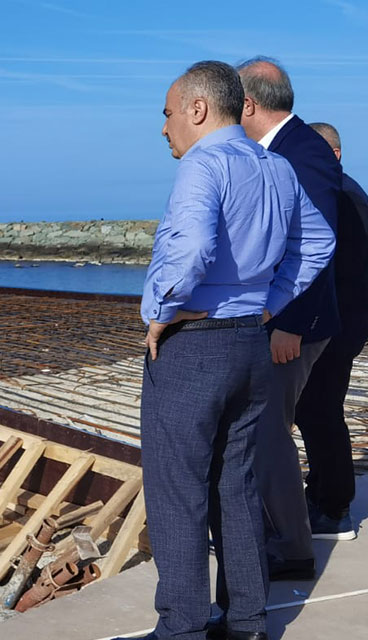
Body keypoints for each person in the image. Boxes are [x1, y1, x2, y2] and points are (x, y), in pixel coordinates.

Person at [125, 61, 334, 640]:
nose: (163, 127)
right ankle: (246, 622)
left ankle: (183, 629)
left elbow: (192, 245)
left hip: (194, 346)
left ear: (197, 109)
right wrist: (269, 304)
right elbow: (318, 242)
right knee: (236, 485)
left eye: (168, 113)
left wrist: (163, 309)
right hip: (249, 343)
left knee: (177, 490)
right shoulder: (276, 165)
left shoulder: (203, 162)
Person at [236, 56, 344, 579]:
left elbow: (317, 243)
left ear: (247, 104)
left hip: (293, 324)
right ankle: (275, 534)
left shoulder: (301, 152)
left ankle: (291, 548)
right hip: (284, 317)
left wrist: (291, 323)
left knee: (268, 434)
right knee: (266, 429)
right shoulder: (285, 148)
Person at [291, 121, 368, 541]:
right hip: (343, 320)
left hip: (337, 323)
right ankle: (321, 492)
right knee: (314, 411)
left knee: (320, 412)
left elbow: (334, 267)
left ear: (334, 154)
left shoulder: (340, 194)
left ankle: (335, 508)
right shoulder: (346, 191)